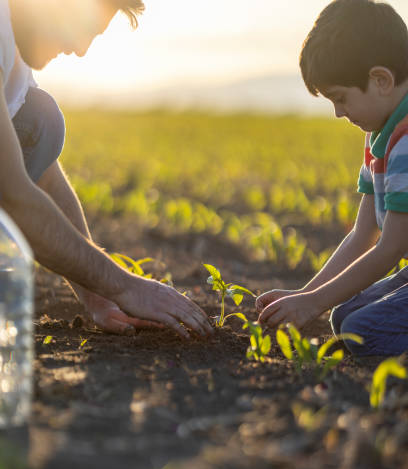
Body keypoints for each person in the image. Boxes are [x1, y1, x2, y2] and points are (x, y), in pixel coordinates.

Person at [0, 0, 213, 339]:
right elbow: (13, 196)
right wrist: (126, 287)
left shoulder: (12, 52)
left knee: (40, 120)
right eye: (82, 29)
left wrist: (98, 296)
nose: (81, 50)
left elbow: (44, 177)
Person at [256, 0, 408, 357]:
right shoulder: (381, 137)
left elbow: (390, 249)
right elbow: (362, 236)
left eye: (340, 98)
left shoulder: (405, 144)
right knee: (344, 316)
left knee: (362, 331)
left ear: (381, 80)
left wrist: (312, 304)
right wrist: (305, 297)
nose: (338, 113)